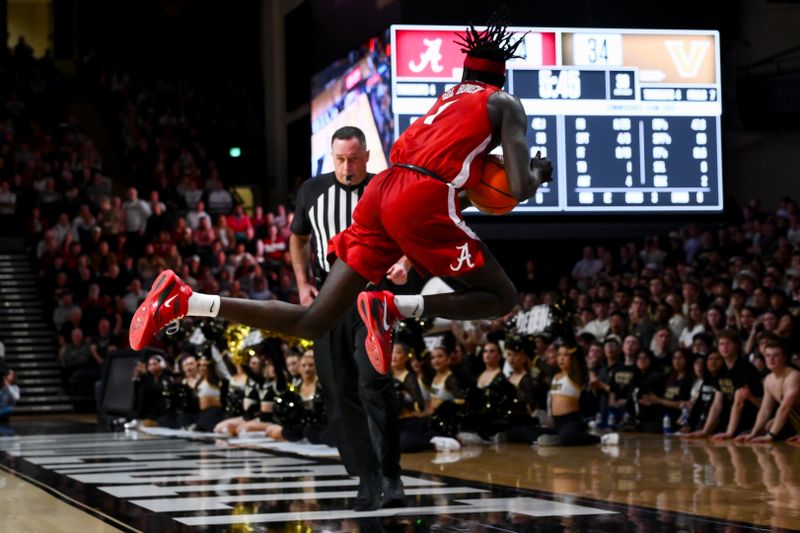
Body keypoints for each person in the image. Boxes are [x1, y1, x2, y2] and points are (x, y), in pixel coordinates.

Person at [129, 8, 551, 498]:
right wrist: (538, 171)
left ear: (464, 72)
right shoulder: (504, 103)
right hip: (421, 197)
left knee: (312, 321)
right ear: (503, 75)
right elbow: (514, 188)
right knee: (501, 297)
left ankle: (187, 300)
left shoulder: (444, 100)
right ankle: (393, 306)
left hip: (385, 191)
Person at [736, 340, 800, 442]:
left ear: (784, 358)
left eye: (776, 356)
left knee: (772, 428)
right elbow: (765, 410)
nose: (771, 359)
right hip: (795, 421)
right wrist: (753, 433)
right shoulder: (768, 379)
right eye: (768, 356)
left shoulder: (793, 376)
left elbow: (785, 408)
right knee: (768, 426)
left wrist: (770, 436)